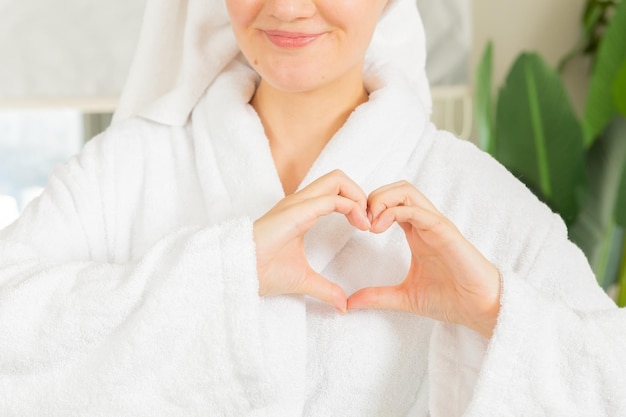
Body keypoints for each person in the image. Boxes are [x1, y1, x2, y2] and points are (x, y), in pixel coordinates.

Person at [1, 0, 625, 415]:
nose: (288, 6)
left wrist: (493, 310)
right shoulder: (125, 171)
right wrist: (224, 273)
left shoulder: (474, 199)